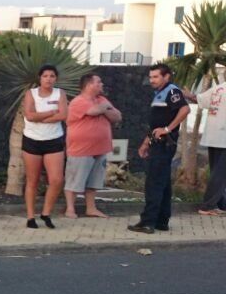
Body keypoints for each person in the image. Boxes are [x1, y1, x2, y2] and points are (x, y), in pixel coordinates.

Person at [129, 63, 191, 233]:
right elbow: (155, 124)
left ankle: (147, 222)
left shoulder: (171, 91)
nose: (152, 80)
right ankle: (161, 221)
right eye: (150, 77)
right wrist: (145, 143)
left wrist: (167, 129)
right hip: (157, 143)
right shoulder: (159, 94)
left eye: (156, 77)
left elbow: (185, 109)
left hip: (164, 144)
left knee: (153, 183)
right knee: (163, 184)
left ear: (166, 77)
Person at [64, 73, 122, 219]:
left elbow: (117, 116)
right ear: (89, 85)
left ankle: (91, 208)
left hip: (100, 148)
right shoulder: (78, 101)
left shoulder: (101, 100)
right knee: (75, 179)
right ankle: (70, 209)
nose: (102, 84)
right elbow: (93, 111)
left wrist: (105, 107)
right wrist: (106, 108)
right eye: (99, 82)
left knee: (94, 181)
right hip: (81, 149)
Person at [21, 64, 68, 229]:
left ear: (56, 78)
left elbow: (63, 114)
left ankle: (46, 213)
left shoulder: (59, 93)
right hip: (32, 139)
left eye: (52, 76)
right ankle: (30, 216)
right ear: (40, 78)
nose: (49, 79)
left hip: (53, 139)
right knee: (32, 180)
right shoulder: (31, 94)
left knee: (57, 179)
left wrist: (40, 117)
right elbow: (29, 115)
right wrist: (50, 113)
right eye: (45, 76)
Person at [198, 77, 226, 216]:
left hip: (213, 136)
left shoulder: (217, 89)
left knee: (216, 172)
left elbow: (199, 100)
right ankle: (207, 206)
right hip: (224, 137)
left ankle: (221, 204)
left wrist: (184, 94)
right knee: (220, 174)